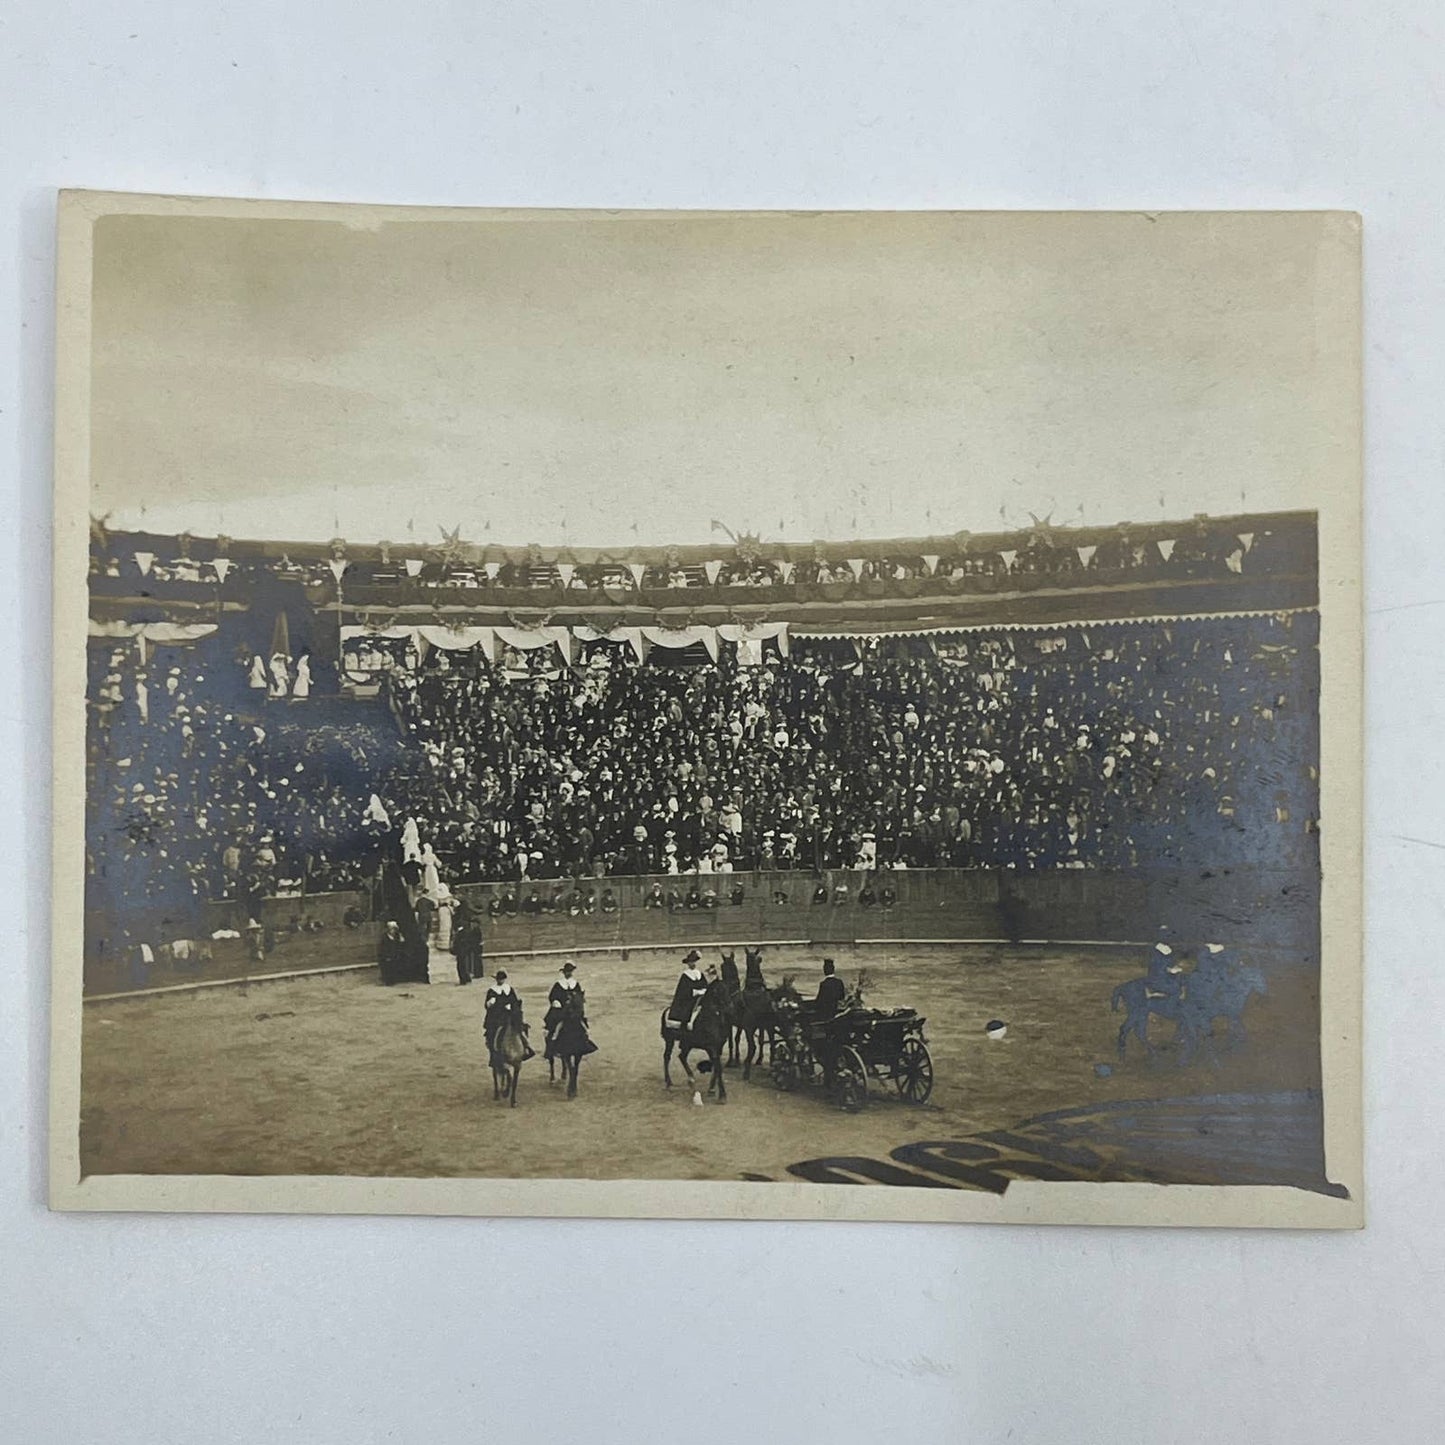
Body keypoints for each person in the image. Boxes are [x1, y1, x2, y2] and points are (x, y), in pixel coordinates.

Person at [484, 969, 534, 1063]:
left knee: (520, 1029)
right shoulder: (492, 991)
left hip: (510, 1015)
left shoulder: (509, 989)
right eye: (499, 979)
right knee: (494, 1031)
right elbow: (487, 1006)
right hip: (498, 1016)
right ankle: (495, 1052)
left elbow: (515, 1001)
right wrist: (491, 1003)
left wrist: (512, 1006)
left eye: (502, 979)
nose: (500, 981)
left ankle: (526, 1047)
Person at [544, 960, 584, 1053]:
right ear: (564, 972)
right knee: (555, 1024)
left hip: (573, 1011)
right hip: (561, 1010)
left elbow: (579, 997)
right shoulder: (558, 984)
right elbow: (552, 996)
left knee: (582, 1025)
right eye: (567, 972)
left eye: (570, 971)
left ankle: (585, 1040)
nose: (568, 973)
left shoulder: (576, 984)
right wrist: (555, 1001)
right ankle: (552, 1041)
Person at [667, 949, 707, 1031]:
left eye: (694, 961)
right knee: (686, 1011)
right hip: (689, 999)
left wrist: (704, 990)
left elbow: (705, 985)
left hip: (701, 999)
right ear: (688, 963)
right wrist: (696, 992)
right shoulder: (685, 975)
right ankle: (684, 1029)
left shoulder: (699, 974)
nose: (693, 964)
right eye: (691, 962)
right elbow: (683, 991)